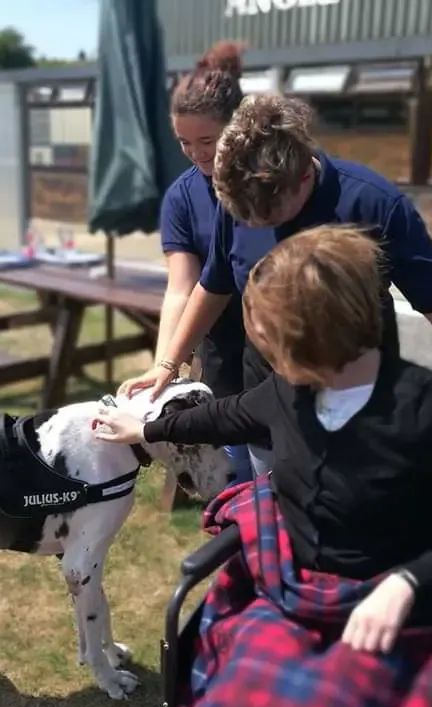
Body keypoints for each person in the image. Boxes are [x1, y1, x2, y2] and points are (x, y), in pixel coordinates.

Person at [95, 225, 432, 707]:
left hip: (393, 602)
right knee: (226, 692)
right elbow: (220, 418)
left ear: (317, 338)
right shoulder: (288, 391)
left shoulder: (429, 410)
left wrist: (407, 584)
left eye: (270, 335)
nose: (261, 346)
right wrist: (145, 428)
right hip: (294, 592)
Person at [123, 93, 432, 476]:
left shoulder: (372, 202)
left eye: (271, 218)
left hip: (357, 411)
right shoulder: (239, 199)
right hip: (271, 405)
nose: (258, 226)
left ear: (304, 175)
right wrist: (167, 362)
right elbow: (213, 285)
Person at [154, 40, 272, 485]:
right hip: (224, 350)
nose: (197, 153)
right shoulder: (183, 197)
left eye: (208, 140)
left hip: (284, 348)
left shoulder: (270, 186)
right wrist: (166, 361)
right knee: (237, 470)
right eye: (184, 142)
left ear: (237, 128)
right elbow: (182, 288)